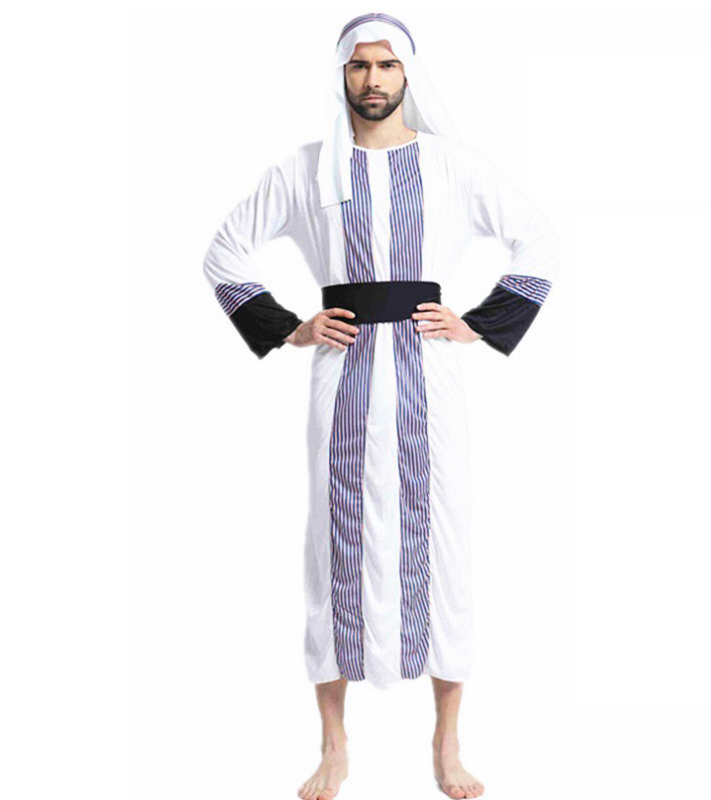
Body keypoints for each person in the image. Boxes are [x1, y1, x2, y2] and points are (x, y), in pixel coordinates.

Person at [202, 12, 559, 800]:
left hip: (429, 374)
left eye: (387, 66)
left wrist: (480, 321)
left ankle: (447, 741)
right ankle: (333, 745)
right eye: (360, 66)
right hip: (343, 375)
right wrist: (289, 327)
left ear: (408, 75)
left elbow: (537, 239)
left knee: (442, 537)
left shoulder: (451, 164)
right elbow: (223, 253)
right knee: (336, 540)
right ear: (342, 74)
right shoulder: (306, 170)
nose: (373, 80)